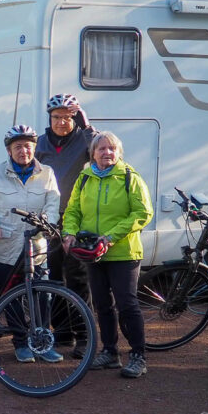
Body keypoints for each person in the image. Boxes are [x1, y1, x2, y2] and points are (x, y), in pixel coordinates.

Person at [62, 131, 153, 379]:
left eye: (112, 149)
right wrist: (69, 232)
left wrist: (111, 236)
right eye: (101, 149)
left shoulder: (129, 177)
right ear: (92, 153)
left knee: (127, 304)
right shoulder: (84, 178)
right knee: (102, 305)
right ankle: (110, 352)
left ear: (118, 153)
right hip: (94, 253)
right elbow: (73, 211)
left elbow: (143, 213)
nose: (107, 153)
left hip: (123, 252)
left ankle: (138, 355)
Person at [0, 125, 63, 363]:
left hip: (36, 247)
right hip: (5, 247)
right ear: (9, 151)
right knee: (10, 296)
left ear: (35, 148)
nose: (24, 151)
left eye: (28, 146)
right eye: (18, 147)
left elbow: (53, 203)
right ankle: (21, 342)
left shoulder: (47, 173)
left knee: (42, 296)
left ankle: (43, 343)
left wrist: (48, 223)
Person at [35, 93, 98, 357]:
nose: (62, 122)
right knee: (56, 277)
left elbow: (103, 147)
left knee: (78, 278)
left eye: (67, 117)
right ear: (49, 119)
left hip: (77, 218)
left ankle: (85, 337)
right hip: (50, 219)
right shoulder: (40, 143)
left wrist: (85, 122)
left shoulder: (84, 138)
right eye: (57, 117)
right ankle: (62, 333)